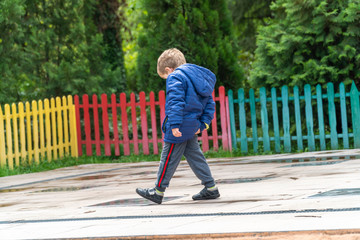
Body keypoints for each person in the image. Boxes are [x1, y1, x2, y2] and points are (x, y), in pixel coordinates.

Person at [136, 48, 220, 204]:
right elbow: (210, 104)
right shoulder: (199, 79)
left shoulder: (175, 76)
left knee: (168, 158)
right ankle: (211, 188)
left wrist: (174, 125)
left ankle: (158, 191)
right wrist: (203, 124)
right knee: (195, 156)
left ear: (169, 69)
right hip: (193, 125)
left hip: (179, 126)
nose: (166, 79)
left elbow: (175, 102)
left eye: (165, 76)